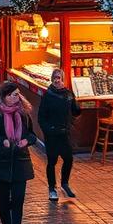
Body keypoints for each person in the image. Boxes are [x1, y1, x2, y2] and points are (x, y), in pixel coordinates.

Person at [0, 82, 37, 224]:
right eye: (14, 94)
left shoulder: (24, 113)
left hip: (21, 162)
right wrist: (2, 141)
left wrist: (27, 140)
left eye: (18, 94)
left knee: (18, 200)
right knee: (3, 201)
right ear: (5, 97)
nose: (17, 97)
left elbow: (33, 135)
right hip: (2, 162)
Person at [37, 67, 81, 202]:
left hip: (64, 133)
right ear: (52, 79)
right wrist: (47, 129)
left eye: (59, 77)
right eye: (55, 77)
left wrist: (76, 105)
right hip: (52, 134)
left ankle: (65, 183)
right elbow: (41, 116)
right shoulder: (48, 95)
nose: (57, 80)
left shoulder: (68, 94)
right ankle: (52, 188)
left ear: (63, 79)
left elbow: (75, 111)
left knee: (68, 159)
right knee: (52, 161)